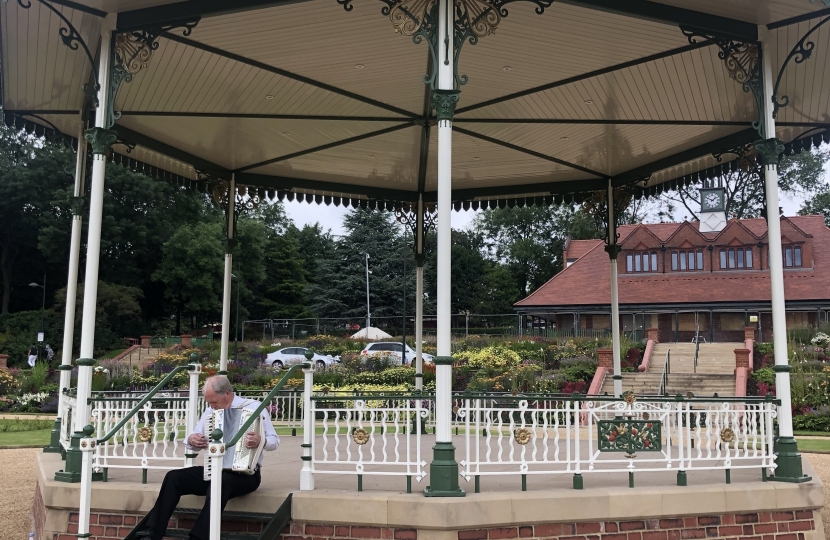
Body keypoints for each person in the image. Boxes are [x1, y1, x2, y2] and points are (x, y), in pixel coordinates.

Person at [136, 375, 279, 540]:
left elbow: (274, 441)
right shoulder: (211, 411)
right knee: (173, 477)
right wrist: (192, 440)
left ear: (227, 393)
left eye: (214, 402)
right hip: (214, 470)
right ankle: (153, 533)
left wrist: (261, 441)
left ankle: (198, 537)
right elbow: (192, 440)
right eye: (209, 403)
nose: (212, 407)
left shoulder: (254, 408)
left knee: (222, 482)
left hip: (246, 475)